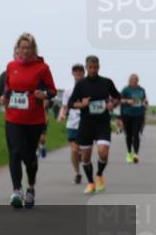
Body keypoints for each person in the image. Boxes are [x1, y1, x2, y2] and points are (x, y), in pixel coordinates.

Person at [0, 33, 56, 210]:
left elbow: (53, 90)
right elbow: (8, 86)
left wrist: (44, 94)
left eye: (28, 48)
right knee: (15, 152)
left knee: (29, 157)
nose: (24, 51)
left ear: (33, 50)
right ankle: (16, 191)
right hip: (13, 118)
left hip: (34, 119)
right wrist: (5, 96)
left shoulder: (42, 68)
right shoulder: (11, 66)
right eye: (22, 48)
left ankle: (30, 187)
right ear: (18, 49)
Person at [68, 55, 121, 194]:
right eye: (90, 67)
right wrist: (82, 104)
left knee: (103, 151)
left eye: (95, 67)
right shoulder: (81, 84)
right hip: (86, 124)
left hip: (102, 123)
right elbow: (71, 103)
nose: (93, 70)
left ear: (98, 67)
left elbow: (117, 97)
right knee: (85, 157)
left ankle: (99, 175)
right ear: (86, 68)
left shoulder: (106, 82)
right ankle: (91, 183)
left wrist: (112, 104)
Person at [57, 64, 86, 184]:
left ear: (83, 73)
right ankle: (77, 173)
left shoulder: (88, 87)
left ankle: (81, 156)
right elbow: (64, 106)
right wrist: (62, 115)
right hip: (73, 123)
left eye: (80, 71)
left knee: (84, 151)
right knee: (74, 150)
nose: (78, 73)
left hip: (86, 123)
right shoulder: (68, 90)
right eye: (76, 71)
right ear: (72, 73)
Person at [120, 74, 147, 163]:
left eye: (136, 80)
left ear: (137, 80)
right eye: (132, 80)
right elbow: (119, 99)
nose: (134, 81)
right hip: (127, 114)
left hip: (138, 114)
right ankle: (129, 153)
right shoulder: (126, 89)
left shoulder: (141, 90)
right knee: (129, 135)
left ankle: (136, 154)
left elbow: (144, 100)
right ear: (129, 80)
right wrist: (127, 101)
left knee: (136, 134)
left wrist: (145, 102)